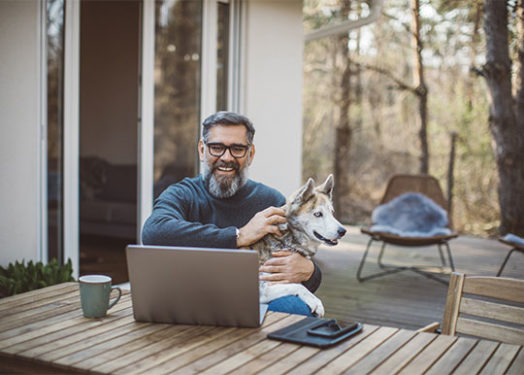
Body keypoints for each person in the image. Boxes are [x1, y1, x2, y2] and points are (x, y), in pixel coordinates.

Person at [142, 111, 322, 316]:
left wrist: (310, 271)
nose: (226, 158)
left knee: (295, 308)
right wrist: (240, 235)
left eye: (237, 149)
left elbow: (297, 264)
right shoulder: (183, 194)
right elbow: (153, 232)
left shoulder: (272, 201)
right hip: (192, 296)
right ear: (202, 150)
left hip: (254, 299)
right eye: (217, 148)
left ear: (250, 154)